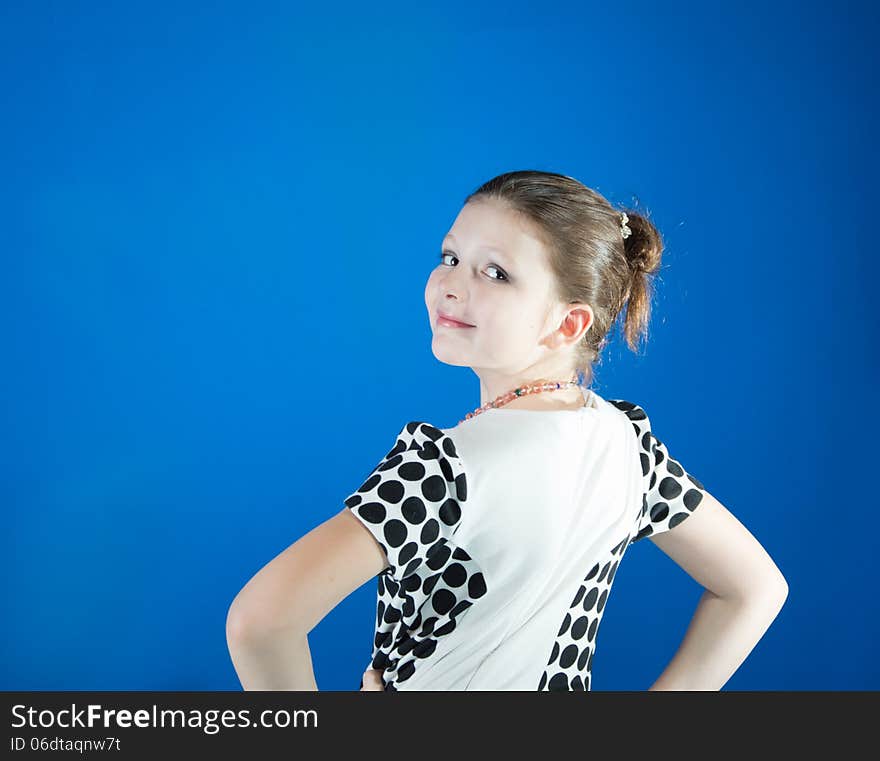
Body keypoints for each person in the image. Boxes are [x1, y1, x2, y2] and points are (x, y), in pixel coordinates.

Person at [225, 170, 789, 691]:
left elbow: (260, 623)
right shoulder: (629, 448)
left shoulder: (444, 469)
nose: (451, 284)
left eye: (495, 272)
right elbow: (754, 589)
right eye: (450, 257)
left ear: (568, 322)